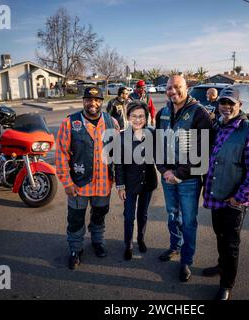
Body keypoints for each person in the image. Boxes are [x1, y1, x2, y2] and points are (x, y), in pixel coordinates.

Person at [201, 89, 249, 300]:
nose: (226, 107)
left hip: (234, 200)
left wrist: (239, 198)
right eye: (223, 102)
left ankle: (227, 283)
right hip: (216, 195)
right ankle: (222, 267)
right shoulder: (217, 126)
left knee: (230, 242)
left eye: (231, 103)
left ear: (239, 104)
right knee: (220, 235)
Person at [55, 86, 120, 270]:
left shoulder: (112, 122)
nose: (93, 103)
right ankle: (75, 249)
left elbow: (118, 154)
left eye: (97, 100)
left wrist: (119, 181)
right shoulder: (70, 123)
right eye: (88, 100)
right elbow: (61, 155)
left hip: (103, 184)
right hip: (78, 184)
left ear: (102, 101)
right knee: (75, 219)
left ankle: (97, 242)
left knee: (99, 216)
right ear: (83, 101)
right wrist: (67, 183)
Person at [155, 75, 212, 282]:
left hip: (188, 179)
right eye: (169, 88)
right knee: (172, 215)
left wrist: (178, 174)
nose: (173, 91)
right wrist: (164, 170)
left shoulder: (200, 113)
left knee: (188, 220)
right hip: (167, 177)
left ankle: (186, 260)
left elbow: (203, 150)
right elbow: (158, 145)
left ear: (186, 88)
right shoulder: (162, 112)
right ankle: (175, 246)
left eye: (177, 87)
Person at [114, 101, 158, 260]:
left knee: (143, 214)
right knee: (128, 215)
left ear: (146, 118)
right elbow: (118, 163)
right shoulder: (121, 136)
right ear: (128, 117)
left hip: (147, 181)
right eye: (134, 116)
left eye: (141, 116)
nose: (138, 120)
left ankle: (140, 238)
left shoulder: (152, 134)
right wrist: (120, 185)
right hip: (129, 182)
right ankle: (128, 244)